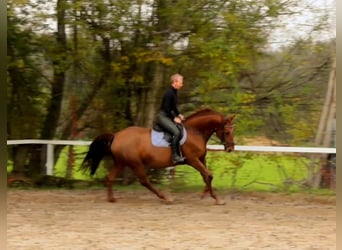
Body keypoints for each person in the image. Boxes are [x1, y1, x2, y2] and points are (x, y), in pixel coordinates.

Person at [155, 73, 186, 164]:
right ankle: (175, 156)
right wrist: (174, 118)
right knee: (176, 132)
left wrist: (179, 114)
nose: (182, 84)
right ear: (175, 82)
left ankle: (178, 152)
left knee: (180, 128)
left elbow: (173, 107)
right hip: (162, 116)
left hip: (167, 115)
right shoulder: (169, 93)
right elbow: (166, 108)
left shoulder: (174, 92)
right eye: (181, 82)